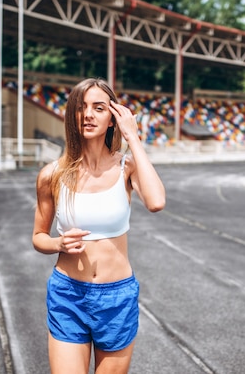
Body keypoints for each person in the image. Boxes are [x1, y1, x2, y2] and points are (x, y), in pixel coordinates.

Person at [32, 78, 166, 374]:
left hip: (117, 297)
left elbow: (156, 202)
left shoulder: (126, 168)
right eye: (81, 107)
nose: (88, 114)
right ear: (72, 115)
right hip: (68, 294)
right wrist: (57, 243)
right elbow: (39, 237)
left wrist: (133, 138)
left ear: (112, 119)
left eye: (99, 107)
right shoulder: (51, 175)